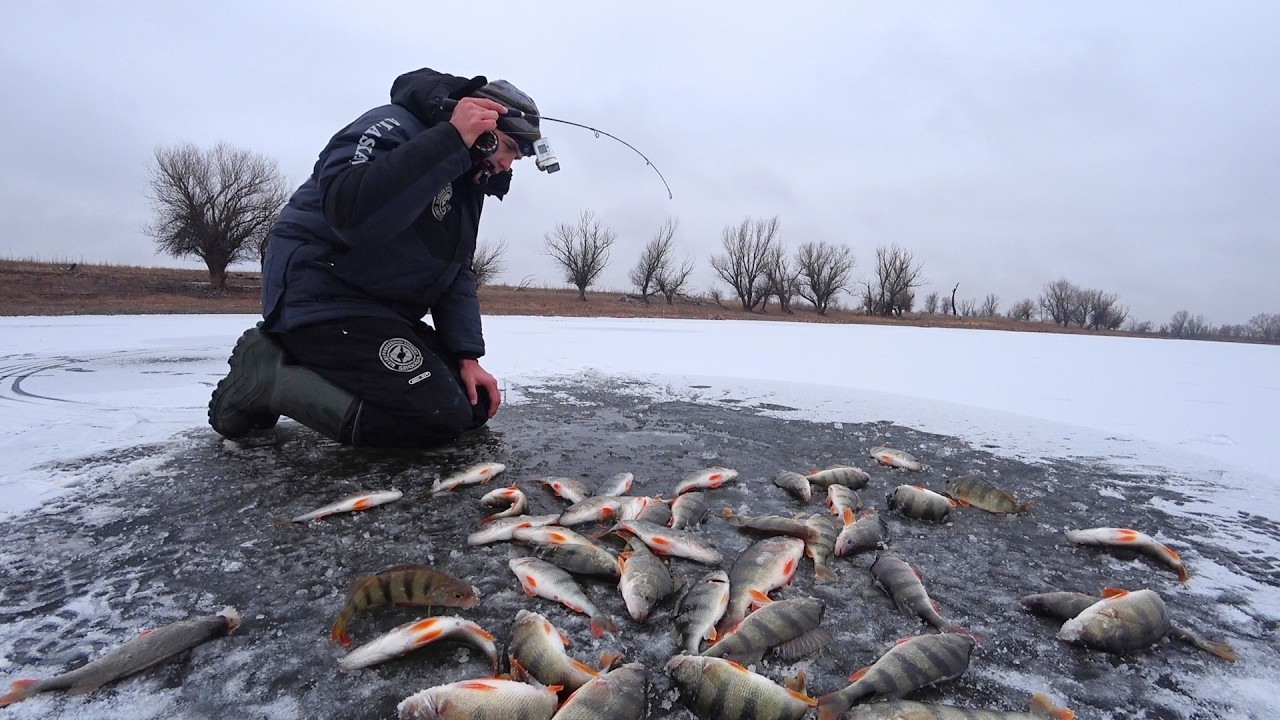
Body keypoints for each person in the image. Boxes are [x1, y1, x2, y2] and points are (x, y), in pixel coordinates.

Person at [208, 68, 544, 448]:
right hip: (320, 297)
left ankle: (295, 363)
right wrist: (449, 140)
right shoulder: (393, 126)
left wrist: (467, 356)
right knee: (438, 416)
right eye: (508, 150)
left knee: (475, 404)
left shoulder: (466, 182)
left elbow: (455, 270)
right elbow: (350, 211)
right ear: (481, 125)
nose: (506, 165)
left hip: (379, 314)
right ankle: (272, 380)